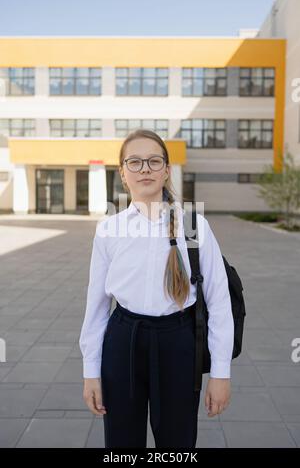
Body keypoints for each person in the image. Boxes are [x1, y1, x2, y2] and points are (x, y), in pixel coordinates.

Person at [79, 129, 234, 448]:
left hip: (178, 343)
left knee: (177, 443)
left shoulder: (193, 224)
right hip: (123, 342)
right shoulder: (110, 228)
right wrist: (90, 371)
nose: (145, 168)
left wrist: (221, 373)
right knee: (122, 443)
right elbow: (96, 305)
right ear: (122, 173)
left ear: (166, 170)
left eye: (153, 161)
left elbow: (219, 303)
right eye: (134, 162)